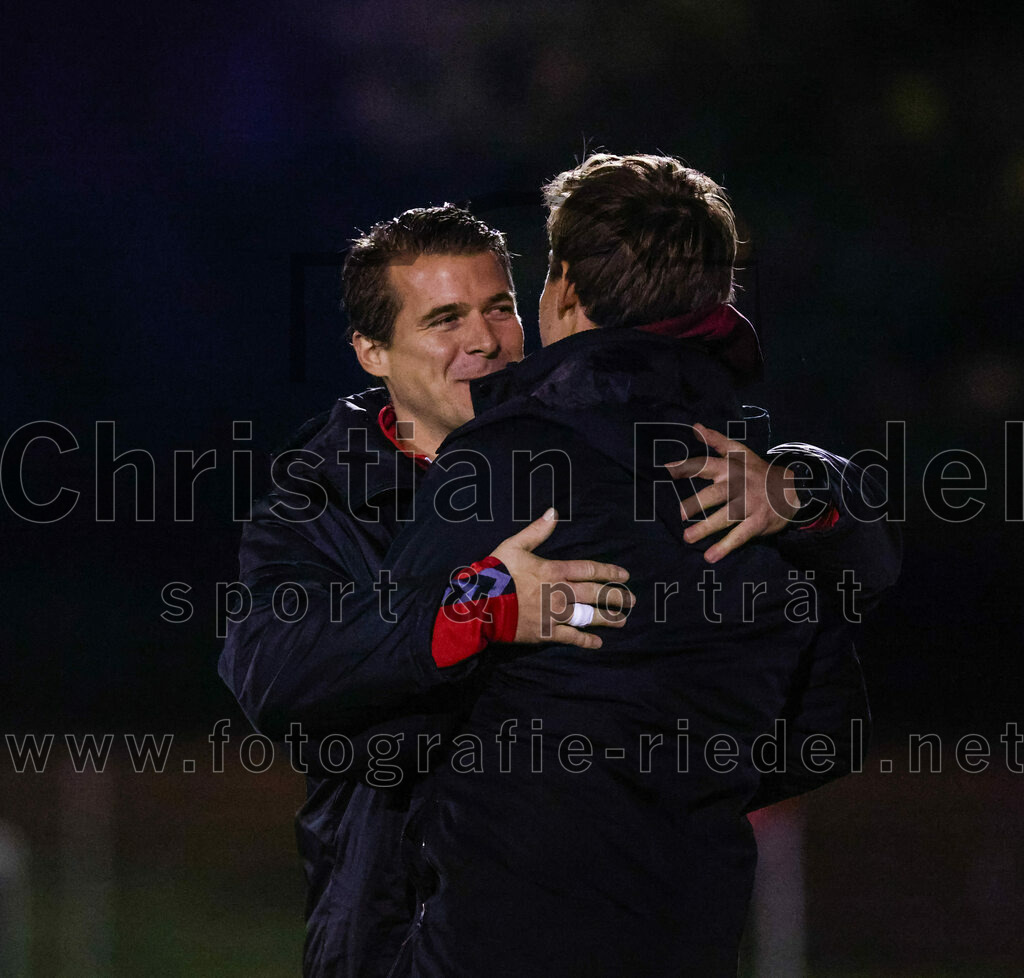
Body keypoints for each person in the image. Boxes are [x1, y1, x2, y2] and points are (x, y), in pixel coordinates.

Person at [219, 198, 898, 976]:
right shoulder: (320, 499)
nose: (483, 340)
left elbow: (820, 689)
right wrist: (477, 611)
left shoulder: (603, 455)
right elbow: (270, 671)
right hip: (390, 929)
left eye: (500, 307)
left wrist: (809, 492)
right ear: (372, 351)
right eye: (444, 320)